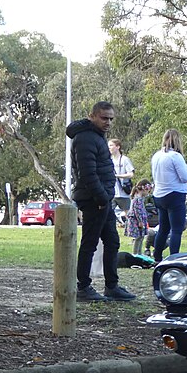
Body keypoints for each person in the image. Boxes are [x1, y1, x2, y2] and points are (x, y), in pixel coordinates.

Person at [65, 102, 135, 302]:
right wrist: (102, 198)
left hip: (103, 198)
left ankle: (111, 286)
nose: (108, 122)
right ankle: (83, 287)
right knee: (90, 243)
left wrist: (105, 197)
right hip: (94, 199)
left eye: (111, 118)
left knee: (112, 241)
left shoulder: (96, 136)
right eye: (104, 118)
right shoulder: (85, 137)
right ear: (92, 116)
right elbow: (87, 174)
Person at [151, 129, 187, 261]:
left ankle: (157, 256)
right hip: (174, 194)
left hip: (159, 194)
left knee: (163, 227)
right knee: (176, 229)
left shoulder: (156, 155)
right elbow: (185, 177)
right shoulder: (175, 156)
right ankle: (174, 257)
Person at [125, 179, 152, 256]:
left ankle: (139, 253)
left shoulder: (140, 199)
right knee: (138, 238)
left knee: (141, 237)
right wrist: (140, 221)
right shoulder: (137, 199)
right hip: (136, 221)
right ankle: (135, 254)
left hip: (140, 220)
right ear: (144, 189)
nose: (148, 193)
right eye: (148, 190)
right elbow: (137, 211)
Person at [109, 138, 134, 214]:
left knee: (128, 215)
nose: (109, 148)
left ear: (118, 147)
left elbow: (131, 174)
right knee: (108, 213)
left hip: (123, 193)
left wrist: (117, 176)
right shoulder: (109, 160)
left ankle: (129, 226)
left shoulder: (125, 159)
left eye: (111, 145)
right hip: (112, 192)